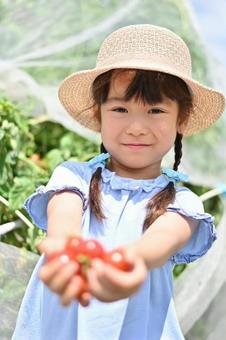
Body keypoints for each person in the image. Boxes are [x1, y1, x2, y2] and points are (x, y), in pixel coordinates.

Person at [12, 24, 225, 340]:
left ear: (181, 118)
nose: (136, 127)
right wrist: (63, 252)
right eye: (120, 109)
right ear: (98, 115)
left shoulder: (182, 203)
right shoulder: (74, 178)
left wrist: (129, 261)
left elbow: (162, 239)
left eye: (155, 110)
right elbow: (64, 219)